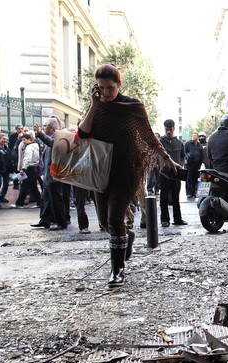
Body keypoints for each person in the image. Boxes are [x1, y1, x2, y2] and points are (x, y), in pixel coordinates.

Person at [77, 63, 181, 288]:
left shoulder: (133, 107)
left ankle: (117, 270)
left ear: (119, 85)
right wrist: (94, 105)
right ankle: (128, 237)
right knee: (105, 222)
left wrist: (166, 157)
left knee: (115, 220)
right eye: (101, 88)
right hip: (100, 170)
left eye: (110, 88)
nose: (105, 92)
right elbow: (82, 133)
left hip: (127, 170)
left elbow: (148, 136)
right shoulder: (97, 107)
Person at [32, 118, 70, 230]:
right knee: (47, 198)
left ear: (51, 128)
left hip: (54, 174)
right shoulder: (51, 138)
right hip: (48, 174)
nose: (43, 128)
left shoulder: (58, 137)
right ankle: (45, 220)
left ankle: (61, 222)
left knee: (56, 199)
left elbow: (52, 144)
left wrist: (39, 134)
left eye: (45, 126)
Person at [159, 119, 187, 227]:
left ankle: (178, 219)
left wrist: (180, 164)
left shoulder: (179, 142)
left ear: (174, 129)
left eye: (170, 129)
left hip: (176, 175)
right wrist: (163, 166)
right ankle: (164, 220)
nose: (168, 132)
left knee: (176, 197)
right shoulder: (160, 142)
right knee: (164, 197)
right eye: (166, 130)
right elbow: (157, 156)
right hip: (164, 173)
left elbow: (183, 155)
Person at [12, 132, 41, 208]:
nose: (23, 141)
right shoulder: (35, 146)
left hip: (28, 168)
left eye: (24, 139)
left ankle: (19, 203)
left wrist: (23, 168)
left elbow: (27, 159)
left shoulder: (28, 148)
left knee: (24, 186)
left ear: (29, 139)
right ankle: (40, 202)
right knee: (33, 187)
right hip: (33, 168)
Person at [184, 132, 204, 200]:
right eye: (192, 135)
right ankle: (189, 193)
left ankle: (194, 192)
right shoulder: (188, 144)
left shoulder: (199, 145)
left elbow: (201, 154)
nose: (193, 137)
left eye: (195, 135)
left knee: (195, 178)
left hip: (197, 164)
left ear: (198, 137)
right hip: (189, 164)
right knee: (189, 178)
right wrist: (185, 159)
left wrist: (201, 162)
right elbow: (184, 153)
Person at [0, 133, 10, 207]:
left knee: (6, 184)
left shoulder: (6, 147)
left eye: (6, 139)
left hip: (6, 168)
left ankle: (2, 197)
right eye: (3, 139)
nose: (5, 140)